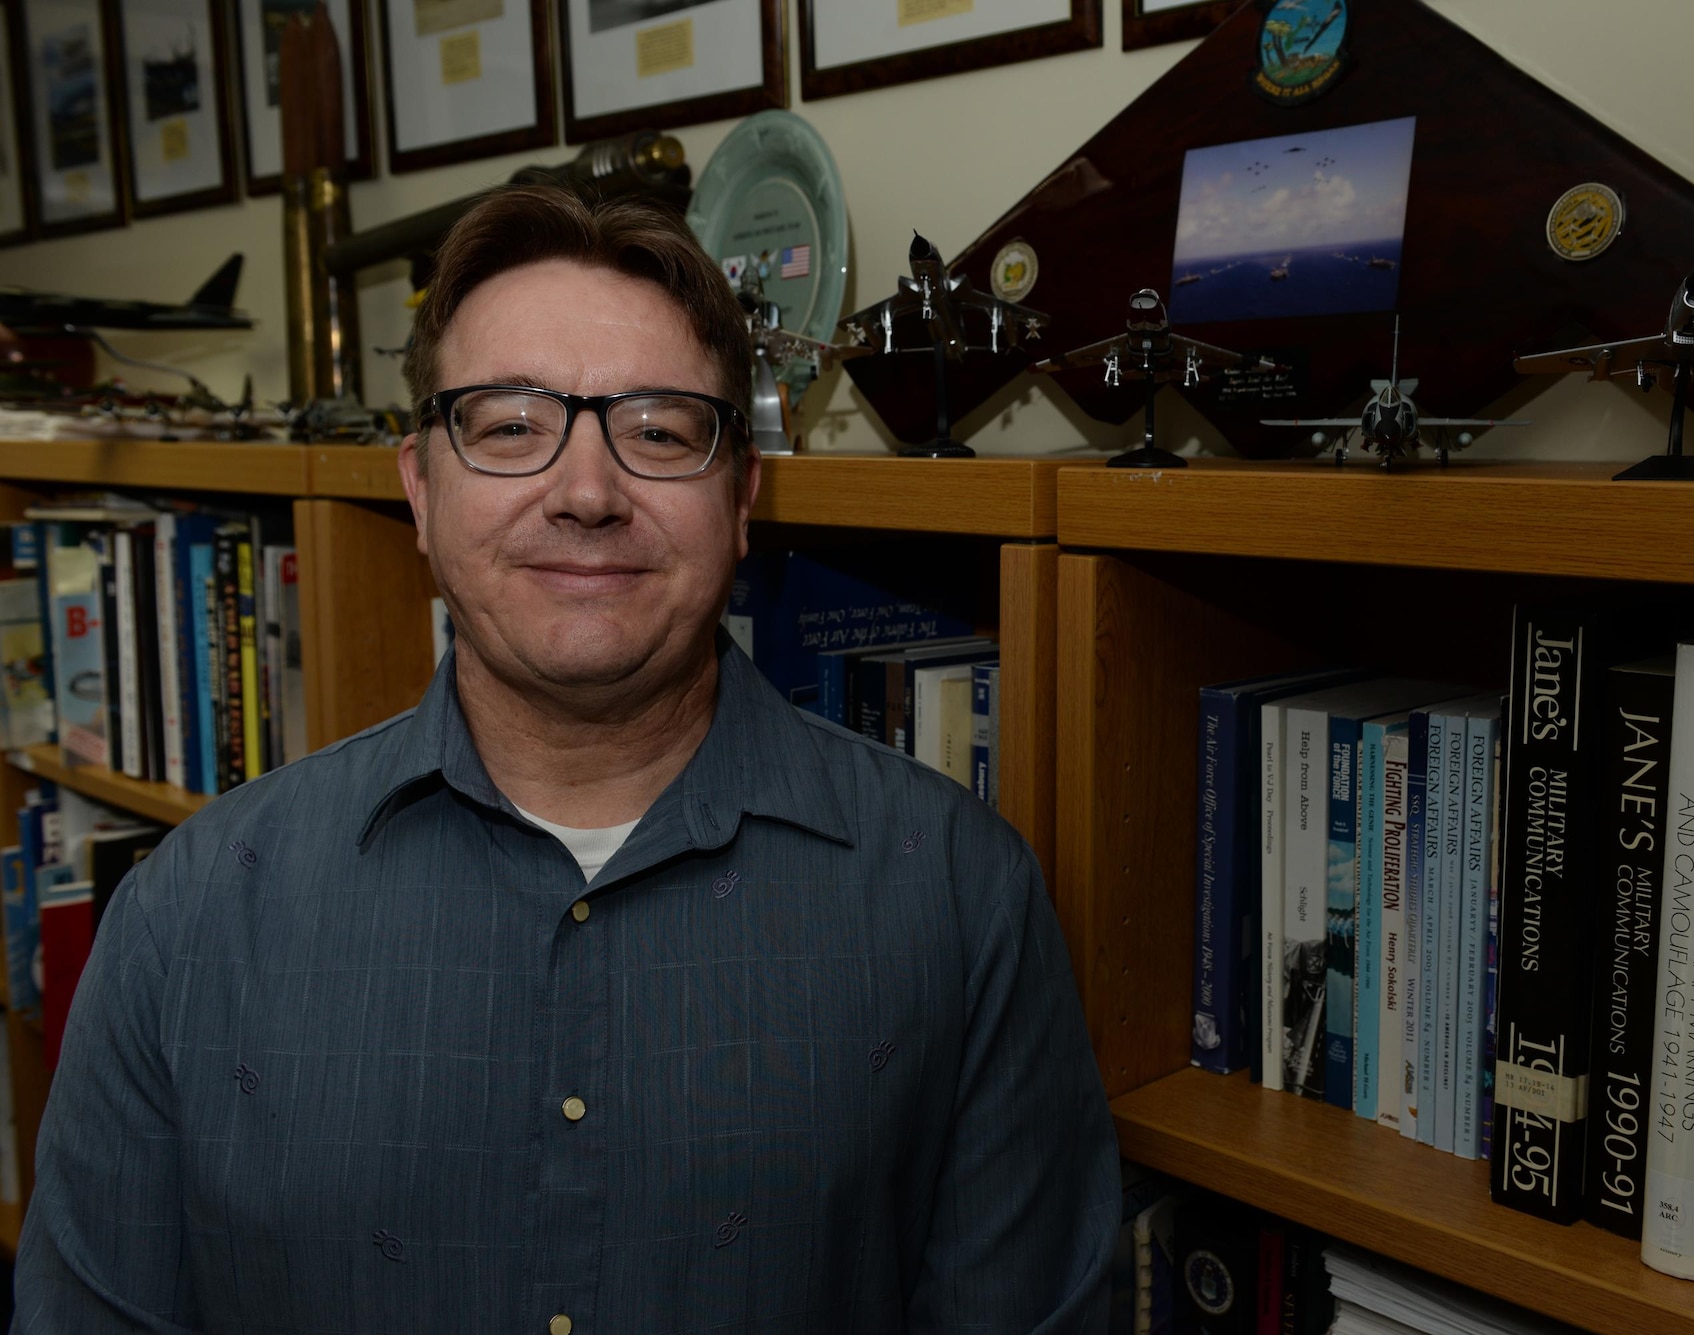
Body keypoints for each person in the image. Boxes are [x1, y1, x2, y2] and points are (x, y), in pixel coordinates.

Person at [14, 186, 1120, 1333]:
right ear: (419, 492)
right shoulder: (186, 917)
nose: (587, 494)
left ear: (741, 496)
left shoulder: (957, 892)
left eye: (657, 430)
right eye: (506, 427)